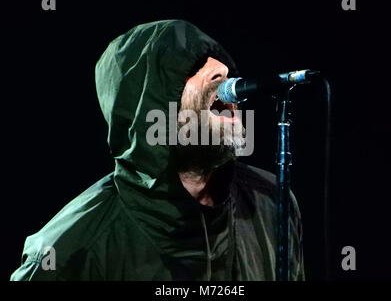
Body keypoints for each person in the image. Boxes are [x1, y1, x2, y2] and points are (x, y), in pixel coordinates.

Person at [10, 20, 304, 281]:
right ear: (146, 106)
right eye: (191, 68)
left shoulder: (272, 203)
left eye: (219, 61)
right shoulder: (68, 251)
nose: (222, 70)